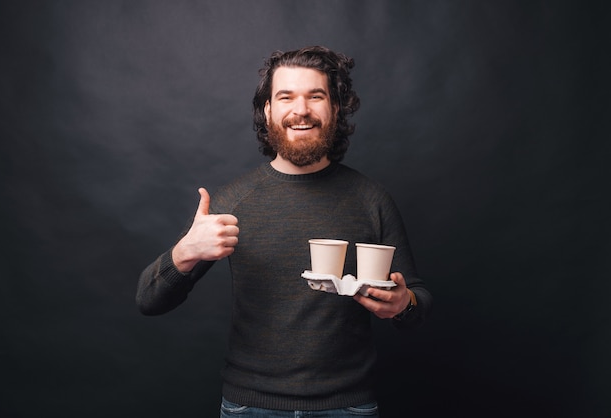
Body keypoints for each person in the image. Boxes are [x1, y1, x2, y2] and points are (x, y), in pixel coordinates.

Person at [137, 45, 432, 417]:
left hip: (348, 407)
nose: (301, 110)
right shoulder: (233, 200)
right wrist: (184, 253)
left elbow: (419, 304)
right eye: (286, 97)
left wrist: (404, 304)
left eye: (316, 96)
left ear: (336, 109)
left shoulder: (371, 199)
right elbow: (148, 300)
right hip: (250, 407)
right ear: (269, 111)